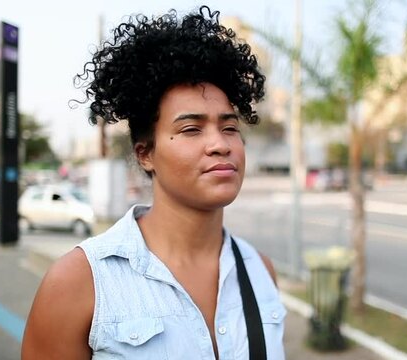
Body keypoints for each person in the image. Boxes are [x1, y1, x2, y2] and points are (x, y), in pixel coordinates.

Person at [22, 6, 285, 360]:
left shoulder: (260, 271)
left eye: (229, 127)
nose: (221, 144)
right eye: (191, 129)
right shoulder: (80, 281)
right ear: (145, 154)